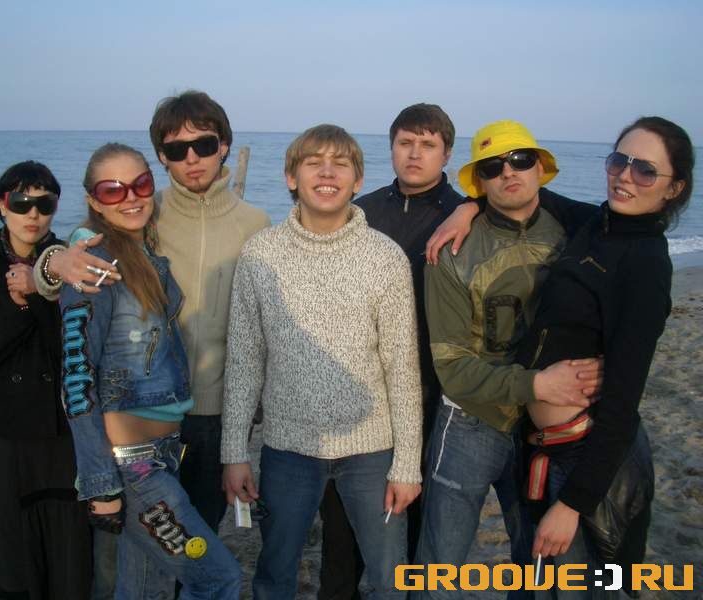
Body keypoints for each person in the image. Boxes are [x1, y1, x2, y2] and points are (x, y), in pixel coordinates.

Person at [35, 90, 270, 535]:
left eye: (204, 144)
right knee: (146, 537)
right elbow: (84, 253)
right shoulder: (144, 211)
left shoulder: (256, 224)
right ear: (162, 157)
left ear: (224, 145)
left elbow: (261, 324)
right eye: (177, 150)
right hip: (147, 414)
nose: (192, 159)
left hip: (215, 410)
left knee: (198, 530)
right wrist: (51, 263)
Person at [221, 124, 423, 600]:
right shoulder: (260, 255)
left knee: (389, 578)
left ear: (357, 180)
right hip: (287, 449)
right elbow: (245, 360)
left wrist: (407, 466)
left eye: (340, 164)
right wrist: (234, 452)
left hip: (372, 453)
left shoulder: (385, 257)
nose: (327, 173)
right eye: (314, 163)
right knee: (275, 574)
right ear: (292, 178)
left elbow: (402, 369)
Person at [417, 120, 604, 599]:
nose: (508, 172)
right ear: (479, 183)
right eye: (492, 167)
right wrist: (537, 385)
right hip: (470, 421)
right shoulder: (450, 250)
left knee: (539, 564)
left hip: (548, 428)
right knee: (441, 564)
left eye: (520, 160)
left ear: (541, 167)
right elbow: (452, 367)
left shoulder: (578, 235)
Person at [514, 116, 694, 597]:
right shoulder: (598, 224)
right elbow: (534, 197)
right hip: (547, 448)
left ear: (674, 188)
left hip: (588, 460)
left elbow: (622, 402)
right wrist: (467, 208)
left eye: (645, 171)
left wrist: (572, 504)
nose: (625, 176)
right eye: (619, 161)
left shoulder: (646, 265)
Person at [58, 142, 241, 598]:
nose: (131, 197)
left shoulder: (143, 255)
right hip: (135, 468)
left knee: (146, 590)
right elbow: (77, 380)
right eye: (113, 190)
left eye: (140, 184)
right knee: (217, 577)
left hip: (163, 453)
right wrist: (100, 484)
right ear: (94, 200)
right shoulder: (94, 264)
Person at [319, 103, 468, 600]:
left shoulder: (464, 215)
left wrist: (474, 206)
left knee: (415, 514)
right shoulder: (362, 212)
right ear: (391, 148)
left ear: (447, 153)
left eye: (427, 145)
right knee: (342, 524)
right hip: (357, 387)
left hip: (430, 389)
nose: (414, 154)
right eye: (405, 143)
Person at [0, 161, 91, 599]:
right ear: (2, 205)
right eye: (22, 202)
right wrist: (20, 310)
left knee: (67, 545)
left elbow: (79, 350)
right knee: (8, 546)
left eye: (45, 205)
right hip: (4, 429)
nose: (33, 214)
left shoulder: (72, 262)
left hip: (62, 427)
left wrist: (39, 289)